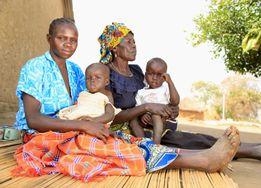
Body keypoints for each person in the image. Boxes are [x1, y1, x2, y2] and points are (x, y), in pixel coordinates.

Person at [12, 18, 240, 182]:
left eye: (73, 39)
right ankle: (203, 161)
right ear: (49, 38)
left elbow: (97, 101)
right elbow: (33, 119)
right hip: (43, 136)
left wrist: (102, 119)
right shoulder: (35, 68)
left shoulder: (74, 70)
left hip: (74, 128)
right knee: (109, 150)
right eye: (62, 38)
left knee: (128, 141)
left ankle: (203, 157)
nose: (68, 44)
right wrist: (84, 125)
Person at [98, 22, 261, 164]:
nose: (134, 46)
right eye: (128, 42)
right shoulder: (105, 73)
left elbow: (153, 94)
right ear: (114, 47)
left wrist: (170, 108)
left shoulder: (138, 71)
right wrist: (146, 108)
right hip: (128, 132)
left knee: (198, 138)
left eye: (134, 41)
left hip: (152, 124)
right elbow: (110, 117)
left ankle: (260, 148)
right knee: (190, 142)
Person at [130, 57, 179, 144]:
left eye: (159, 75)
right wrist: (142, 115)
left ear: (164, 77)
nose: (154, 78)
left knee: (155, 115)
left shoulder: (166, 88)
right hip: (148, 122)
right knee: (133, 120)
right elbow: (138, 108)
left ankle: (155, 144)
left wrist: (170, 82)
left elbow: (175, 102)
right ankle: (143, 142)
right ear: (145, 75)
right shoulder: (141, 92)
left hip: (165, 119)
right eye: (151, 74)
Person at [57, 63, 120, 127]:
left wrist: (94, 120)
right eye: (88, 78)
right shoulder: (84, 94)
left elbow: (110, 115)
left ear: (106, 82)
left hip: (95, 124)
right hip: (77, 122)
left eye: (98, 78)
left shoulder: (106, 96)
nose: (92, 80)